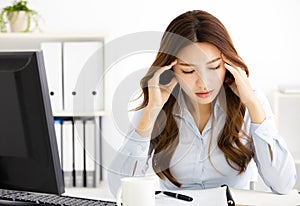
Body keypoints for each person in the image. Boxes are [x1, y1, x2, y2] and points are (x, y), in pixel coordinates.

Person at [107, 10, 296, 196]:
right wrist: (151, 112)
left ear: (228, 64)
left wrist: (253, 105)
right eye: (189, 71)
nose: (204, 83)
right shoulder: (158, 101)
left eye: (214, 67)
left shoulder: (250, 99)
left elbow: (283, 184)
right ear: (170, 70)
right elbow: (119, 190)